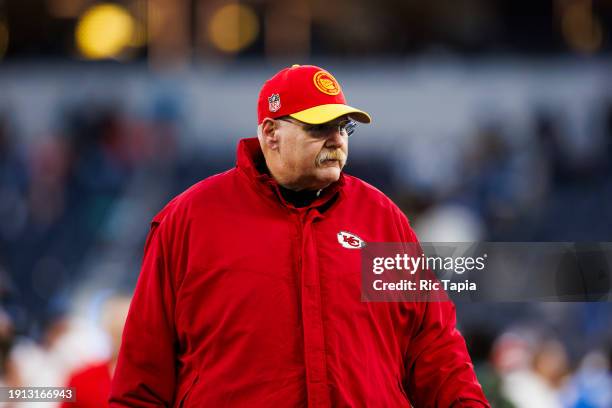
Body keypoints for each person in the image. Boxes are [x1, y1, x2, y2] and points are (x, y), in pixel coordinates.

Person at [110, 64, 490, 407]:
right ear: (271, 133)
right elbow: (143, 375)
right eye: (319, 128)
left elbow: (433, 346)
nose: (337, 140)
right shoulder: (190, 220)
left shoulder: (381, 219)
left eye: (344, 128)